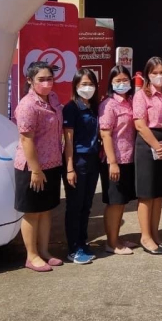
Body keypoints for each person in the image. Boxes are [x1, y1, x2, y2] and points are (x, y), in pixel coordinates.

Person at [13, 61, 64, 272]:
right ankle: (31, 256)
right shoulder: (27, 105)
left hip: (53, 163)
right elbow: (26, 140)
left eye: (49, 79)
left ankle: (44, 251)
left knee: (46, 210)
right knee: (32, 212)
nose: (46, 83)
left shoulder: (53, 98)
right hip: (32, 168)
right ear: (30, 80)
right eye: (41, 79)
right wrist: (35, 170)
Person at [133, 57, 162, 255]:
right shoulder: (141, 95)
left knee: (159, 193)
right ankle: (145, 236)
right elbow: (139, 124)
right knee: (147, 194)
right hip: (148, 144)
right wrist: (156, 146)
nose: (159, 76)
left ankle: (155, 233)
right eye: (154, 73)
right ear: (148, 75)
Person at [62, 68, 101, 265]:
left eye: (91, 84)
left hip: (93, 160)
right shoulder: (71, 108)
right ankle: (73, 248)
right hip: (77, 161)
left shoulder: (94, 106)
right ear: (76, 86)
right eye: (84, 84)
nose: (88, 88)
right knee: (75, 206)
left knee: (86, 205)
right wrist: (70, 168)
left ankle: (83, 242)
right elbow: (68, 141)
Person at [98, 65, 138, 255]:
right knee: (114, 202)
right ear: (111, 83)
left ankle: (117, 238)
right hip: (114, 160)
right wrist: (112, 162)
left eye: (125, 80)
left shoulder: (130, 101)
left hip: (128, 158)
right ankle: (112, 243)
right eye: (117, 80)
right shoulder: (108, 104)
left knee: (121, 201)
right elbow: (105, 134)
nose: (122, 83)